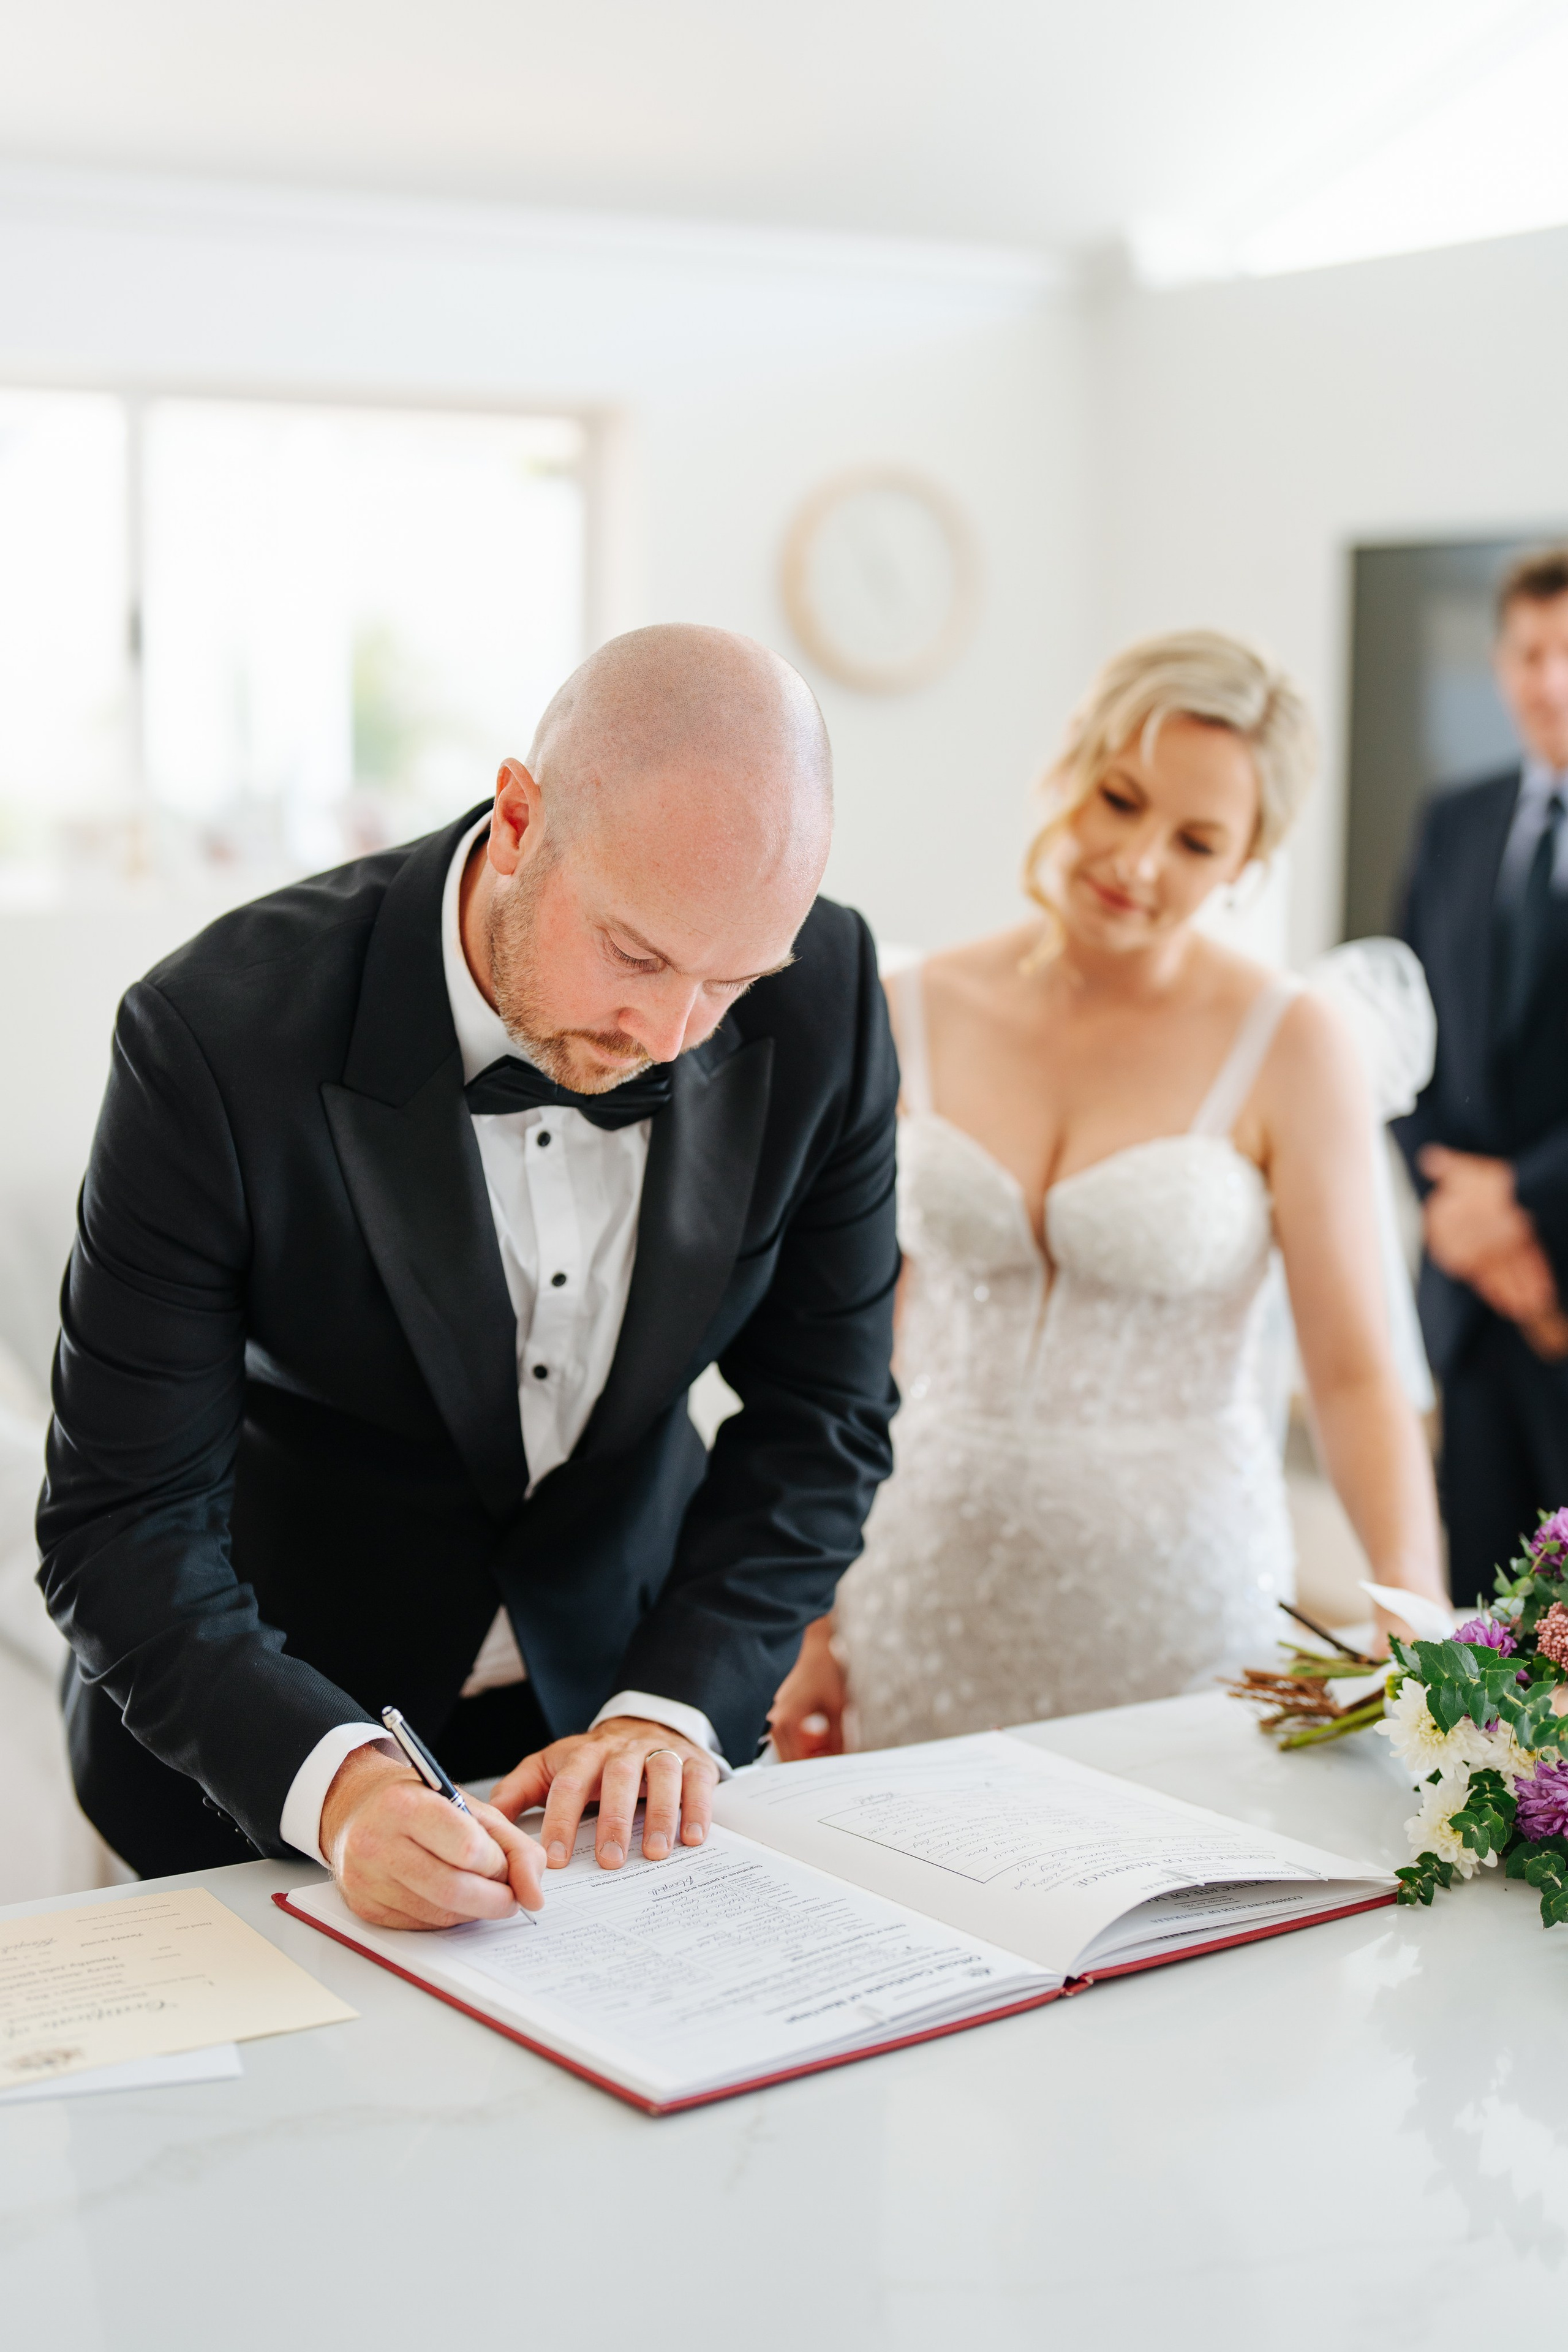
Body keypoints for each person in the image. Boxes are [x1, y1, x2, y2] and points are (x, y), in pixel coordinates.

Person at [38, 624, 899, 1928]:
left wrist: (671, 1710)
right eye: (635, 955)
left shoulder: (827, 992)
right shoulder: (211, 1036)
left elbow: (819, 1420)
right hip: (256, 1762)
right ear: (517, 819)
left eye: (730, 982)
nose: (669, 1040)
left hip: (612, 1764)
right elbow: (121, 1524)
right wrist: (340, 1790)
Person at [770, 630, 1447, 1755]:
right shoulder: (907, 1006)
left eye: (1196, 840)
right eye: (1120, 800)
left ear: (1247, 862)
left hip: (1181, 1610)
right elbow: (843, 1353)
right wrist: (808, 1619)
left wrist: (1409, 1601)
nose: (1137, 862)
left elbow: (1355, 1369)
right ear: (1070, 768)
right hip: (921, 1584)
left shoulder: (1292, 1044)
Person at [1393, 548, 1568, 1604]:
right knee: (1481, 1613)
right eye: (1530, 651)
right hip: (1468, 1292)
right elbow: (1400, 1025)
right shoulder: (1455, 818)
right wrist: (1456, 1206)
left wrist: (1528, 1205)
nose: (1550, 680)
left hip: (1561, 1276)